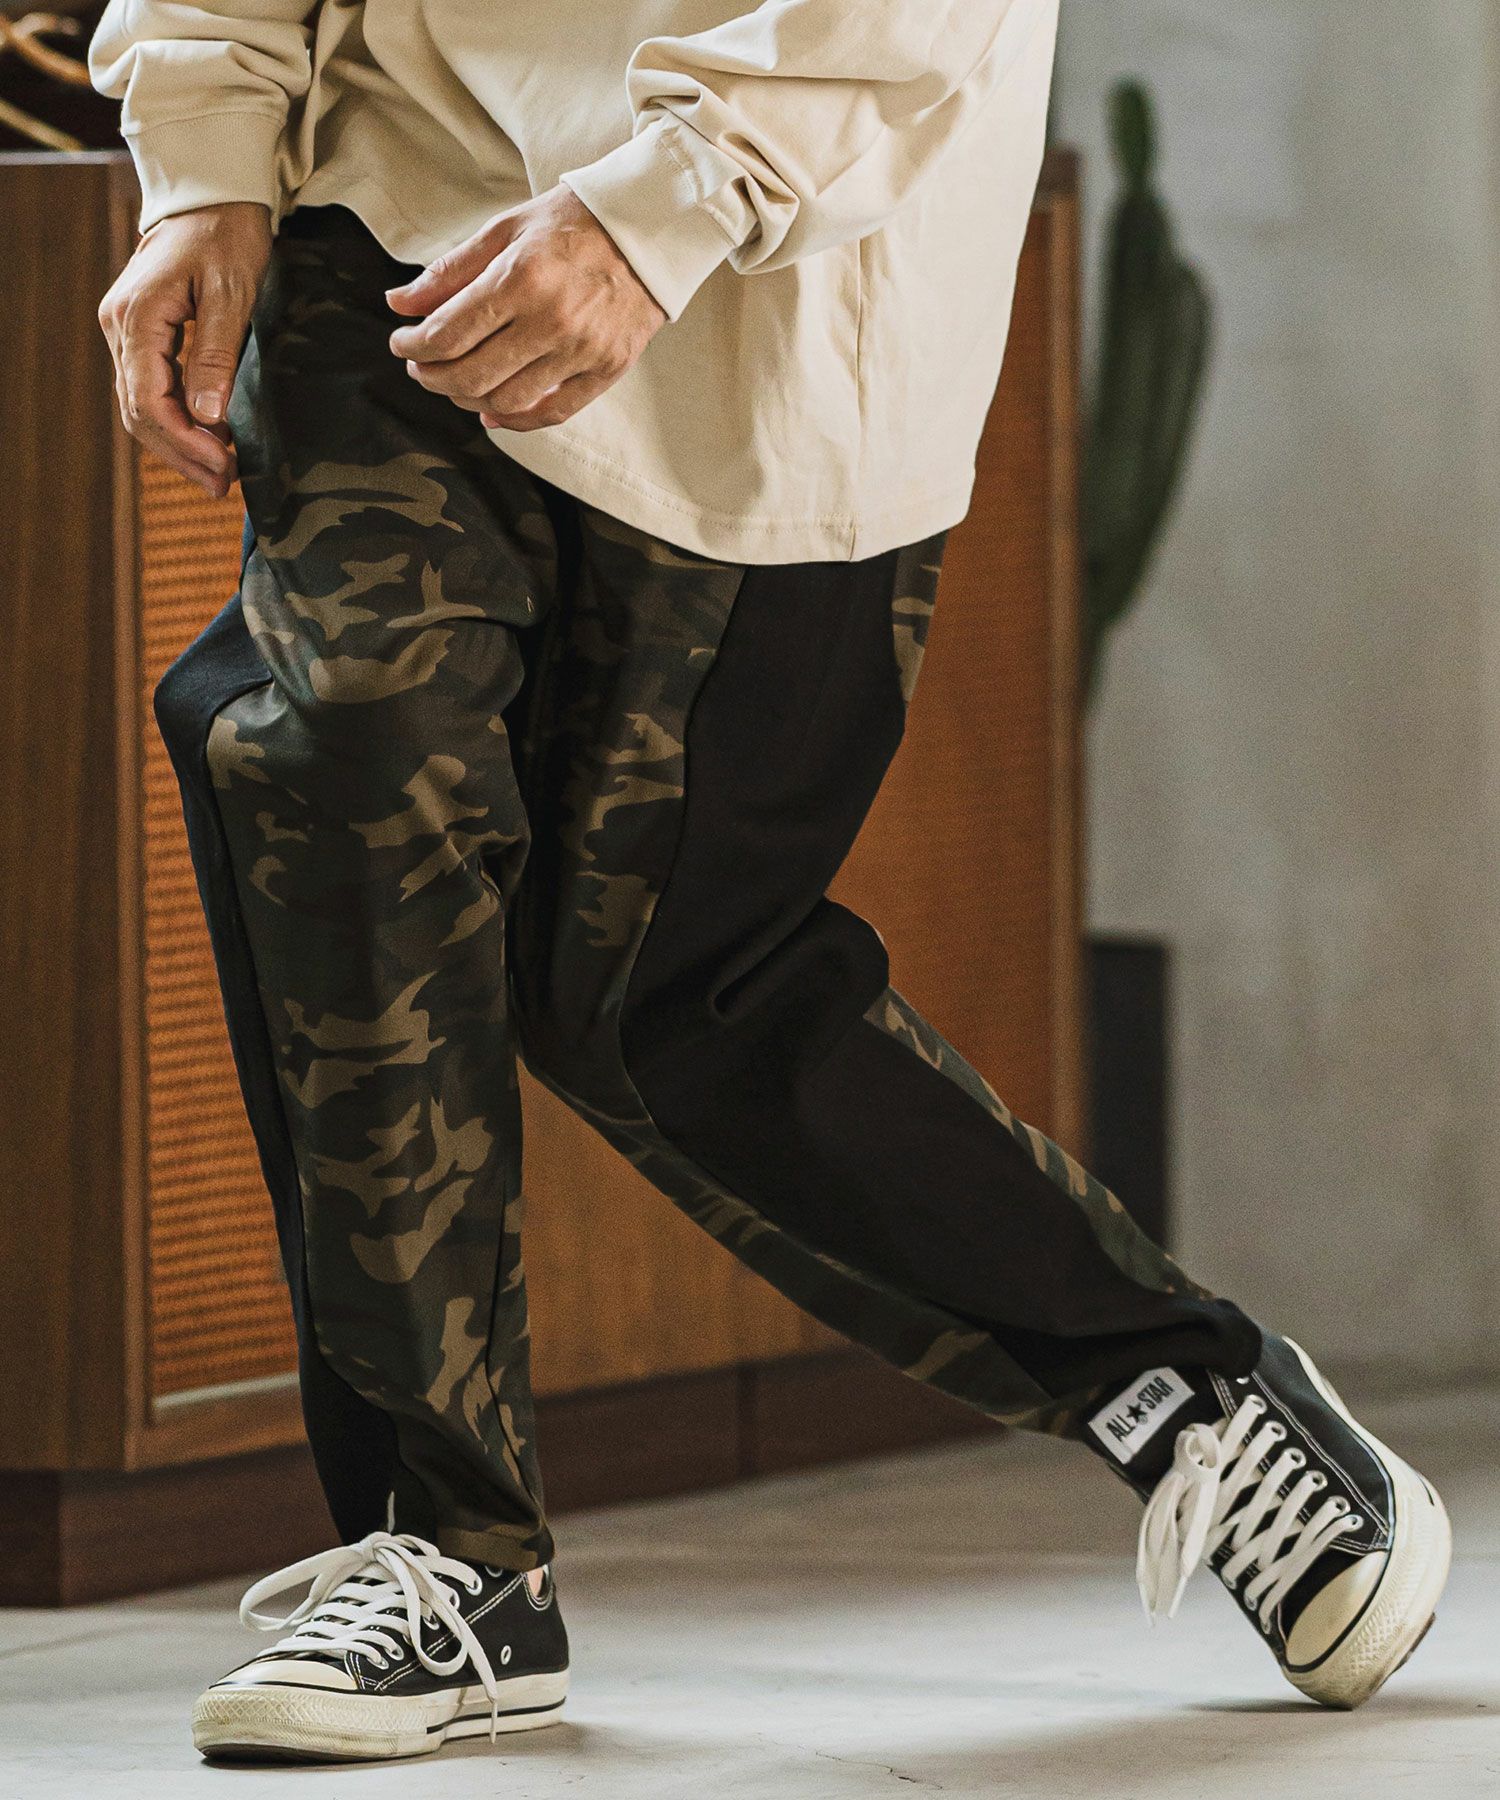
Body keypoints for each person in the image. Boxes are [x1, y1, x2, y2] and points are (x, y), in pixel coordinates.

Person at [89, 0, 1450, 1765]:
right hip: (387, 201)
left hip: (783, 272)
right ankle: (449, 1552)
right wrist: (205, 158)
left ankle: (1176, 1381)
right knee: (328, 757)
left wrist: (675, 196)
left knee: (667, 995)